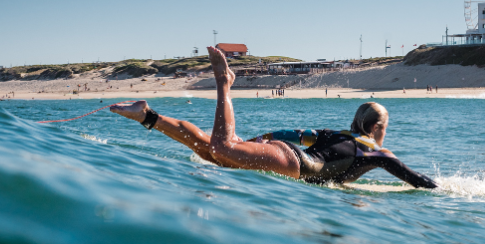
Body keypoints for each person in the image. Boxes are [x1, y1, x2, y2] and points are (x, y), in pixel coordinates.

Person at [110, 46, 437, 189]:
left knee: (213, 152)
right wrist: (442, 188)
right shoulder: (375, 150)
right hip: (297, 164)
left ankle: (149, 116)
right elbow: (410, 177)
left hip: (287, 152)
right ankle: (225, 84)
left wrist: (258, 140)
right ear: (378, 127)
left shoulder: (334, 134)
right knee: (223, 148)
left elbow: (291, 132)